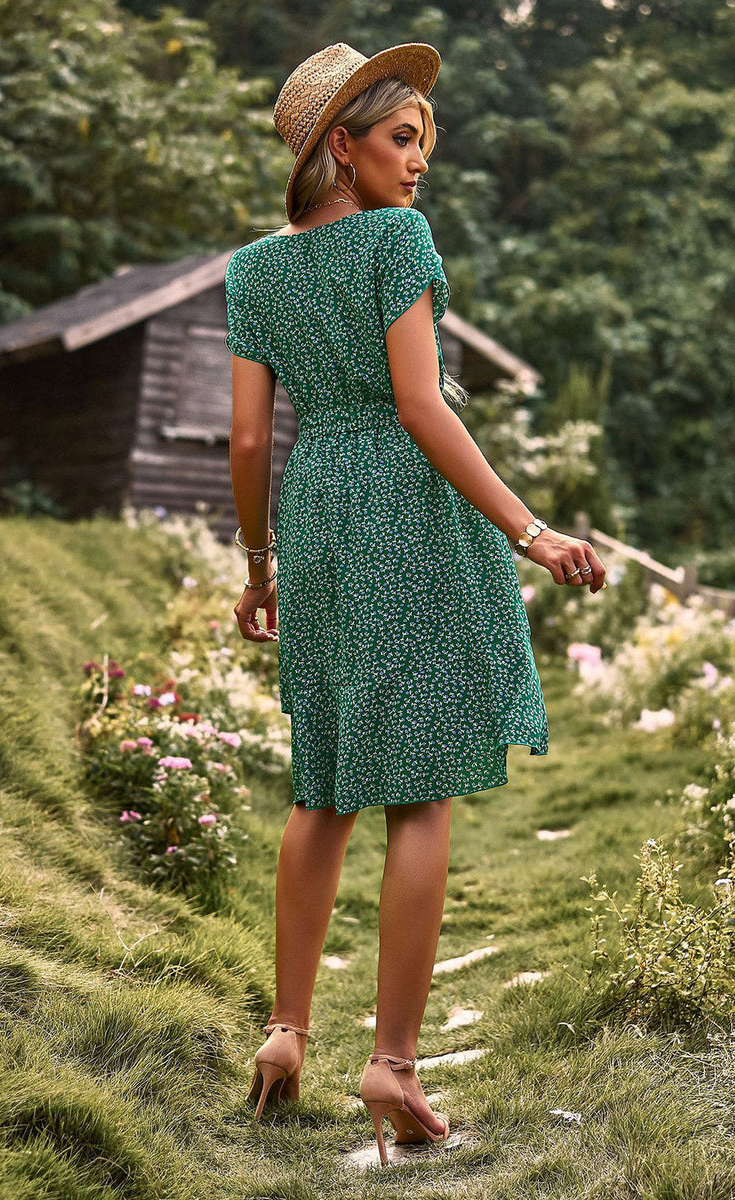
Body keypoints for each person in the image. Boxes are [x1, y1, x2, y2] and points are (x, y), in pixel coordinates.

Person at [225, 41, 606, 1167]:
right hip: (406, 504)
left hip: (316, 511)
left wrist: (258, 567)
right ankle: (389, 1060)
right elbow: (420, 405)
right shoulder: (394, 241)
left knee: (323, 779)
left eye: (425, 146)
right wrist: (528, 529)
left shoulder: (252, 270)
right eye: (402, 139)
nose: (419, 164)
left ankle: (285, 1032)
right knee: (421, 795)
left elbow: (250, 438)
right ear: (337, 146)